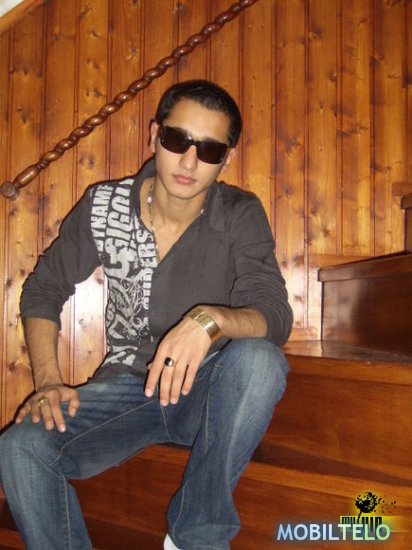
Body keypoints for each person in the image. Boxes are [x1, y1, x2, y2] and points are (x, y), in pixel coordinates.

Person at [0, 80, 293, 550]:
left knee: (259, 360)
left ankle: (193, 538)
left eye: (210, 149)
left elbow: (274, 314)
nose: (190, 162)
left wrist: (208, 321)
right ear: (155, 135)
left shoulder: (240, 212)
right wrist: (49, 381)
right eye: (178, 140)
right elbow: (44, 289)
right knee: (19, 447)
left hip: (207, 389)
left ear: (227, 159)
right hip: (129, 391)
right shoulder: (104, 206)